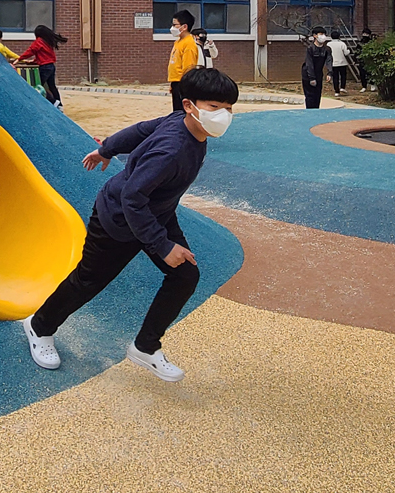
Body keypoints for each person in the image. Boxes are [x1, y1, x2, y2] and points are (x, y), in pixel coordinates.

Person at [21, 66, 239, 382]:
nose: (223, 115)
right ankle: (39, 326)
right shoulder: (172, 150)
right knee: (88, 281)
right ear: (189, 105)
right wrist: (162, 246)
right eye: (214, 107)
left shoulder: (183, 123)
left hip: (155, 213)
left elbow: (139, 130)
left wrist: (106, 149)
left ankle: (145, 347)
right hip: (118, 219)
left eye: (228, 108)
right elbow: (132, 199)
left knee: (185, 275)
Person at [15, 23, 67, 107]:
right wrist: (33, 61)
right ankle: (59, 104)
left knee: (38, 86)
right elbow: (44, 56)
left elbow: (30, 51)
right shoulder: (47, 42)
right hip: (51, 66)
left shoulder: (38, 42)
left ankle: (53, 101)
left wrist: (19, 59)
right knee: (52, 86)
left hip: (44, 68)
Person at [166, 11, 200, 112]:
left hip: (183, 84)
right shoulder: (178, 42)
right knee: (176, 111)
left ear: (184, 26)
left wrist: (184, 86)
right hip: (176, 82)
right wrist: (173, 83)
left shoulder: (189, 44)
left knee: (181, 112)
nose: (172, 28)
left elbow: (188, 68)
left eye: (175, 25)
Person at [302, 30, 332, 110]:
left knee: (317, 95)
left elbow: (329, 60)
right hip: (308, 75)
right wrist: (312, 78)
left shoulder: (327, 49)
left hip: (318, 74)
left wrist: (329, 72)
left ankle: (316, 110)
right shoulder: (310, 48)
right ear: (315, 36)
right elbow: (309, 63)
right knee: (310, 96)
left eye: (324, 34)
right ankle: (310, 111)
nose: (323, 36)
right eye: (321, 34)